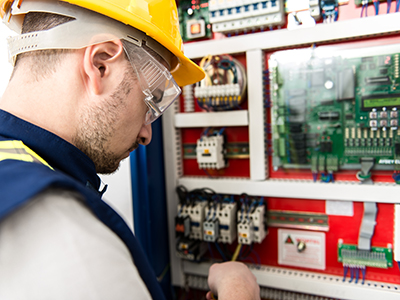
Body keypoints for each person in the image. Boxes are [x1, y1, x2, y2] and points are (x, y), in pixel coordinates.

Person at [0, 0, 260, 299]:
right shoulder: (61, 232)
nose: (147, 134)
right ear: (101, 65)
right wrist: (239, 292)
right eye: (151, 102)